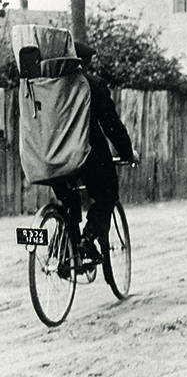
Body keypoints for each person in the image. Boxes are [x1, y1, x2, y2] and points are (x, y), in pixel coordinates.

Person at [68, 41, 137, 261]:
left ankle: (65, 246)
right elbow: (111, 125)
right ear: (84, 63)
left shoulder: (47, 86)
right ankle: (87, 240)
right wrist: (127, 153)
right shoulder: (92, 85)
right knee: (107, 194)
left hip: (49, 156)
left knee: (67, 199)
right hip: (87, 155)